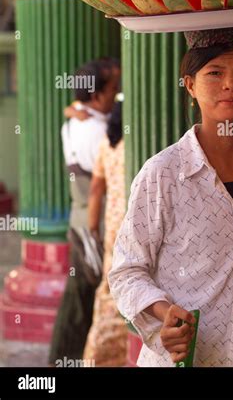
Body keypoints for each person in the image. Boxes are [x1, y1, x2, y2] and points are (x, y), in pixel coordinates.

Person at [108, 27, 233, 367]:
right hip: (192, 358)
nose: (231, 84)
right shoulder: (163, 174)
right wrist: (164, 314)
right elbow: (126, 272)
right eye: (215, 73)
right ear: (190, 85)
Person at [48, 58, 120, 366]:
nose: (117, 95)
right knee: (82, 293)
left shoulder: (74, 122)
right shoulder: (97, 130)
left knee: (80, 290)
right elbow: (100, 183)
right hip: (93, 222)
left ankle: (66, 356)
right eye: (113, 90)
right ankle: (66, 356)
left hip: (80, 219)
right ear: (97, 94)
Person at [82, 100, 128, 366]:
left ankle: (98, 355)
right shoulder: (137, 147)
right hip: (132, 222)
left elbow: (96, 189)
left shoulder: (107, 145)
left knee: (111, 289)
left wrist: (92, 228)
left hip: (112, 224)